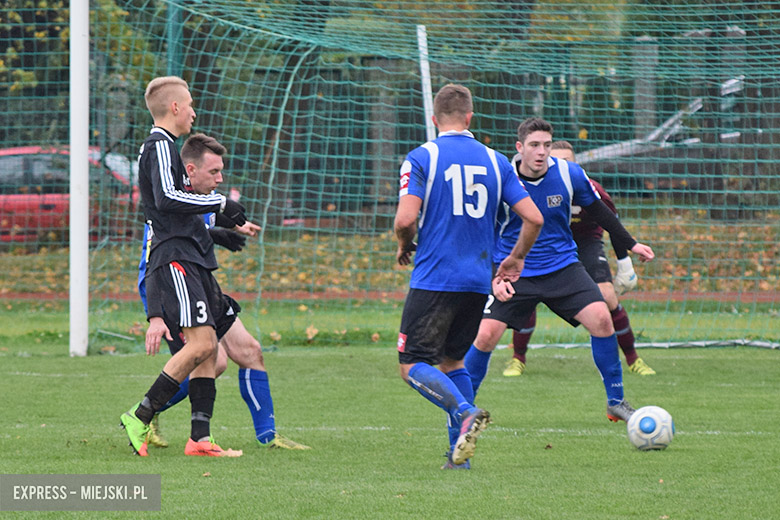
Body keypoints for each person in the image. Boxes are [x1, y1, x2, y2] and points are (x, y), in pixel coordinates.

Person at [464, 117, 654, 425]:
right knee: (486, 336)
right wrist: (494, 275)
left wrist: (630, 244)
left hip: (562, 266)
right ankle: (463, 408)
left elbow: (601, 211)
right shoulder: (500, 178)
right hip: (514, 272)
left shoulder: (569, 174)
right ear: (519, 148)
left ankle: (616, 401)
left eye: (547, 145)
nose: (541, 152)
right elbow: (479, 232)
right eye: (534, 145)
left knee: (602, 319)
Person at [394, 84, 543, 469]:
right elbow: (534, 218)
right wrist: (515, 259)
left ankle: (464, 412)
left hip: (434, 278)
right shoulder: (497, 162)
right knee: (452, 361)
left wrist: (403, 243)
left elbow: (406, 219)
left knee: (411, 364)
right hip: (478, 280)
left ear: (434, 119)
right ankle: (459, 460)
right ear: (470, 118)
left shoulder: (422, 156)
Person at [138, 133, 310, 452]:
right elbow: (153, 259)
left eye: (221, 171)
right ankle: (147, 414)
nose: (220, 179)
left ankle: (268, 437)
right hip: (170, 291)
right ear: (189, 170)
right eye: (214, 172)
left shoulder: (199, 197)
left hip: (201, 286)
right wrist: (156, 316)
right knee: (212, 362)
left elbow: (201, 224)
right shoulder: (169, 202)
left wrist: (226, 229)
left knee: (249, 350)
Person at [120, 76, 248, 458]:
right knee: (204, 345)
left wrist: (215, 226)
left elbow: (180, 200)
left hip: (192, 257)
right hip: (175, 259)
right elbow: (167, 198)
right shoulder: (158, 145)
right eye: (189, 104)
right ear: (174, 108)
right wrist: (218, 204)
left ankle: (200, 439)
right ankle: (139, 415)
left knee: (211, 353)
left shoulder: (169, 148)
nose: (194, 111)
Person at [503, 140, 656, 377]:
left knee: (607, 297)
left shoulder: (585, 185)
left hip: (585, 243)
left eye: (568, 161)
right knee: (525, 294)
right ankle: (517, 358)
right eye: (557, 160)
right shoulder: (526, 186)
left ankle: (633, 359)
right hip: (545, 246)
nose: (562, 164)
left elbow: (612, 223)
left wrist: (625, 263)